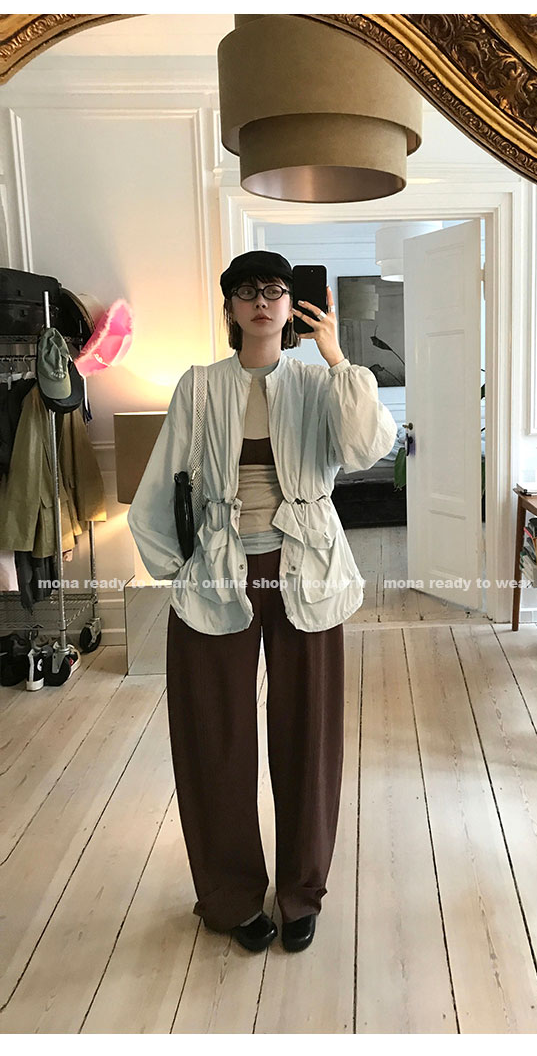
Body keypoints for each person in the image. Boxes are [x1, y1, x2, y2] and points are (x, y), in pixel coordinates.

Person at [127, 251, 397, 955]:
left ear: (290, 304)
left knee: (309, 733)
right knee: (213, 736)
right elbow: (157, 490)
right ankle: (230, 895)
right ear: (230, 306)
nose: (263, 301)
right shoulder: (199, 386)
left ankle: (302, 890)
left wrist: (338, 358)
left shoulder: (317, 382)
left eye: (276, 290)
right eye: (247, 290)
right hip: (216, 572)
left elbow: (367, 447)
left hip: (305, 570)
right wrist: (177, 572)